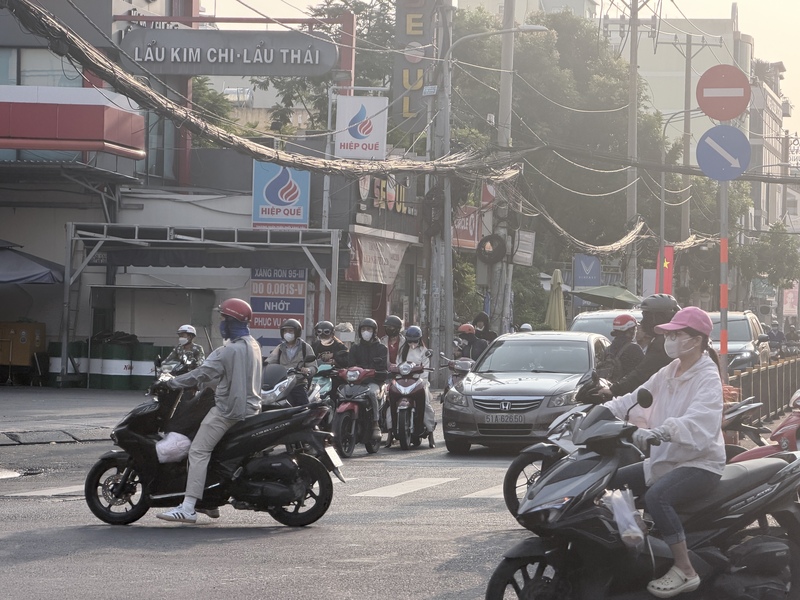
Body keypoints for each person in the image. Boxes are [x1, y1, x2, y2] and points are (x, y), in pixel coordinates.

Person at [600, 307, 725, 598]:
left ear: (696, 340)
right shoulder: (670, 370)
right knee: (611, 482)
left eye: (675, 334)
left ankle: (685, 569)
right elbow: (633, 399)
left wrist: (661, 431)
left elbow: (700, 420)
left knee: (658, 497)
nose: (669, 339)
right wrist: (596, 413)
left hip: (700, 463)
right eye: (668, 334)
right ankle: (640, 543)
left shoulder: (707, 376)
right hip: (667, 458)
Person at [157, 298, 262, 524]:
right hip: (250, 408)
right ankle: (210, 502)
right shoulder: (252, 344)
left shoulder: (227, 351)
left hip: (228, 412)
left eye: (223, 318)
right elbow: (229, 376)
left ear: (231, 321)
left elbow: (200, 374)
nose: (221, 323)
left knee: (197, 451)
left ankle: (188, 507)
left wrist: (171, 383)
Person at [593, 294, 680, 401]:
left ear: (659, 318)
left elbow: (641, 373)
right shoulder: (664, 339)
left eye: (646, 317)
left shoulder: (662, 344)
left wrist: (613, 390)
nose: (642, 323)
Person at [386, 325, 435, 448]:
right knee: (390, 402)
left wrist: (420, 379)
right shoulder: (402, 350)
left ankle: (430, 433)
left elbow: (425, 371)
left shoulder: (424, 352)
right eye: (410, 340)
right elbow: (398, 365)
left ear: (419, 339)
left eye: (415, 340)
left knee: (427, 404)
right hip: (402, 380)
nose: (412, 343)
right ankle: (390, 432)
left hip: (420, 381)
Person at [347, 317, 388, 442]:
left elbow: (382, 368)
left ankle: (375, 423)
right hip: (357, 383)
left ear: (374, 331)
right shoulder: (355, 348)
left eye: (369, 329)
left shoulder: (381, 349)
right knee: (343, 392)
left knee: (371, 393)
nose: (366, 332)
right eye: (363, 329)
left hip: (374, 382)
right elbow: (350, 365)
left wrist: (372, 372)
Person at [264, 318, 317, 406]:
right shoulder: (280, 348)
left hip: (298, 383)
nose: (287, 333)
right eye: (285, 331)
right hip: (282, 384)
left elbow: (313, 366)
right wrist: (263, 366)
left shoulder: (305, 347)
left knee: (302, 405)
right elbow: (270, 361)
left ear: (297, 332)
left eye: (290, 331)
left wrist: (308, 370)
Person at [598, 313, 645, 383]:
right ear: (630, 330)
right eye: (635, 328)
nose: (636, 331)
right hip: (627, 390)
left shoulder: (607, 350)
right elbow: (643, 371)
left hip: (608, 389)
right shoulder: (635, 349)